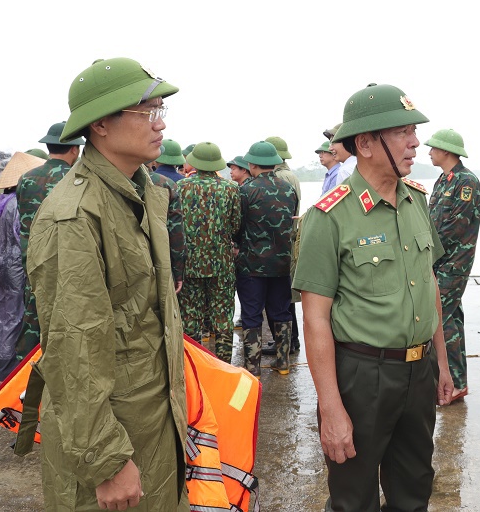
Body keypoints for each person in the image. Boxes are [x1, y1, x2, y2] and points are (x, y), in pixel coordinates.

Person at [26, 57, 188, 510]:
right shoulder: (75, 215)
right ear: (100, 125)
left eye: (162, 111)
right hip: (113, 434)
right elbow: (74, 347)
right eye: (147, 112)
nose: (160, 125)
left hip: (152, 419)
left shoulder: (142, 192)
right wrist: (106, 462)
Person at [294, 83, 454, 511]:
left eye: (414, 131)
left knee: (414, 491)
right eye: (402, 132)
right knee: (353, 498)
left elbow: (430, 284)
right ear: (365, 143)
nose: (416, 142)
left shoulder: (416, 201)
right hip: (363, 376)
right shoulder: (328, 218)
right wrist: (330, 408)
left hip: (418, 373)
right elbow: (315, 319)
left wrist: (441, 362)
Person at [15, 121, 84, 361]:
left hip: (32, 261)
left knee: (33, 318)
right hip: (67, 262)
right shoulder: (79, 178)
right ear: (75, 149)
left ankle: (24, 377)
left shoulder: (26, 178)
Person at [425, 128, 480, 402]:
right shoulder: (442, 180)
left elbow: (455, 226)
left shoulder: (466, 181)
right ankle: (457, 383)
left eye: (433, 148)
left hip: (453, 263)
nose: (429, 152)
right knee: (451, 319)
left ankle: (448, 383)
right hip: (439, 261)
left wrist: (425, 250)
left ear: (446, 151)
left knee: (440, 319)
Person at [234, 141, 298, 376]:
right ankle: (282, 362)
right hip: (282, 263)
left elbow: (236, 226)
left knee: (251, 314)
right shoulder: (288, 188)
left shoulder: (246, 190)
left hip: (251, 265)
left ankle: (253, 367)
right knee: (281, 312)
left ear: (251, 164)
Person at [178, 142, 242, 362]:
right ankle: (224, 366)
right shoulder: (231, 188)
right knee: (223, 318)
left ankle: (194, 366)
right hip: (222, 262)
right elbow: (235, 226)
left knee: (190, 318)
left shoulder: (180, 187)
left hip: (190, 263)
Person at [0, 151, 46, 381]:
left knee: (4, 312)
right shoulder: (19, 204)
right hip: (16, 267)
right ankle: (6, 371)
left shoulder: (3, 201)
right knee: (14, 317)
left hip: (4, 265)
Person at [264, 136, 302, 356]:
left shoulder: (280, 177)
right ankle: (290, 341)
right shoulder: (291, 175)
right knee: (285, 296)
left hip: (281, 240)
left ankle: (288, 342)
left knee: (281, 299)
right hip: (289, 237)